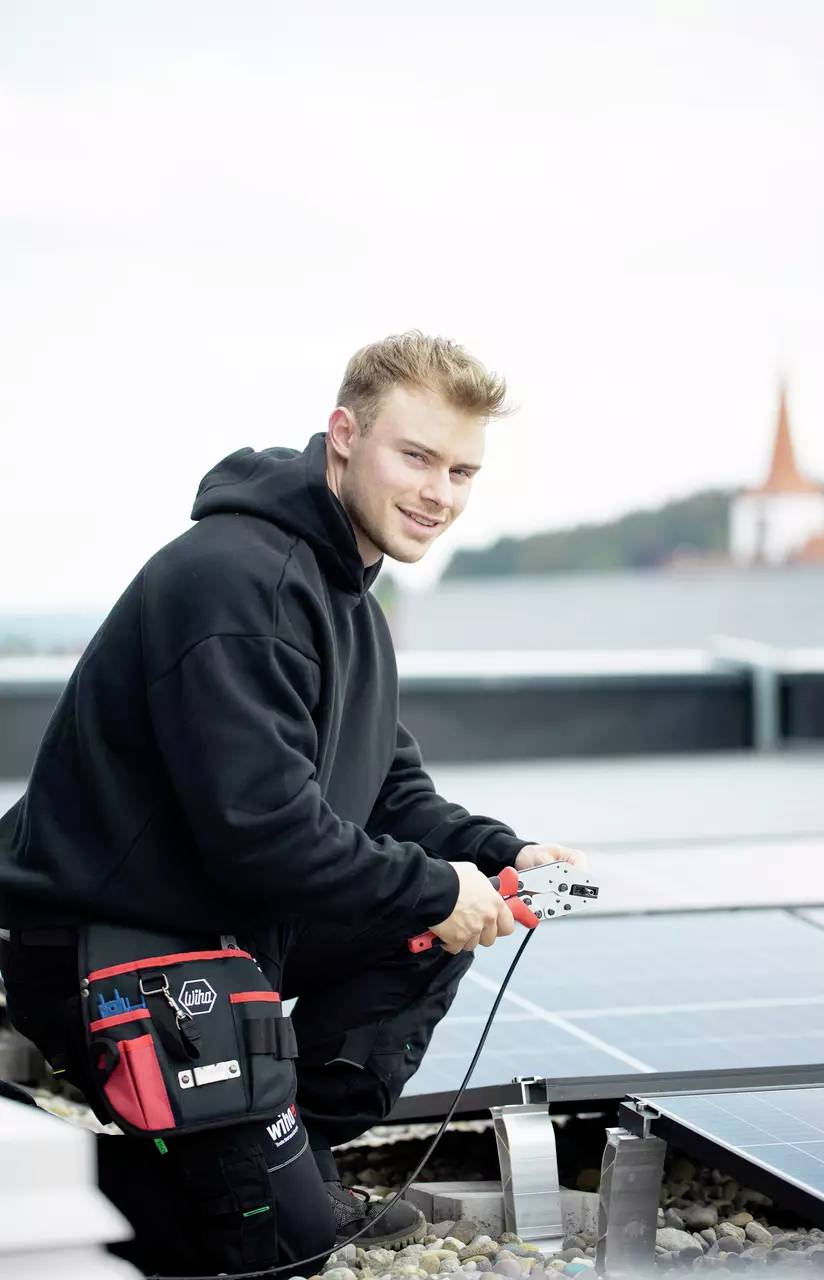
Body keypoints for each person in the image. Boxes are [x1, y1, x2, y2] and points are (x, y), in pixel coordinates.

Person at [0, 331, 586, 1277]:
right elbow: (264, 834)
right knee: (279, 1251)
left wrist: (500, 855)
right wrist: (436, 884)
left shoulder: (348, 590)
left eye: (463, 471)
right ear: (343, 435)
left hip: (224, 926)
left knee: (439, 919)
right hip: (112, 944)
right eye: (418, 456)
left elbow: (386, 787)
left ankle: (287, 1160)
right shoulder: (238, 579)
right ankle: (58, 1184)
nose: (440, 492)